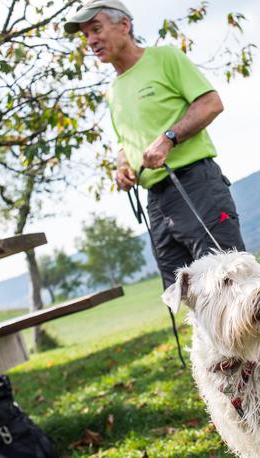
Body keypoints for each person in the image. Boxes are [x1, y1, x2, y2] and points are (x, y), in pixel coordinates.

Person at [65, 0, 246, 289]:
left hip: (195, 185)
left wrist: (168, 139)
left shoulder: (165, 58)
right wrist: (122, 166)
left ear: (124, 25)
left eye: (96, 29)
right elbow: (126, 143)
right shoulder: (114, 91)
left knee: (233, 284)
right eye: (86, 35)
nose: (91, 41)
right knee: (182, 294)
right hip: (157, 202)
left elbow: (211, 103)